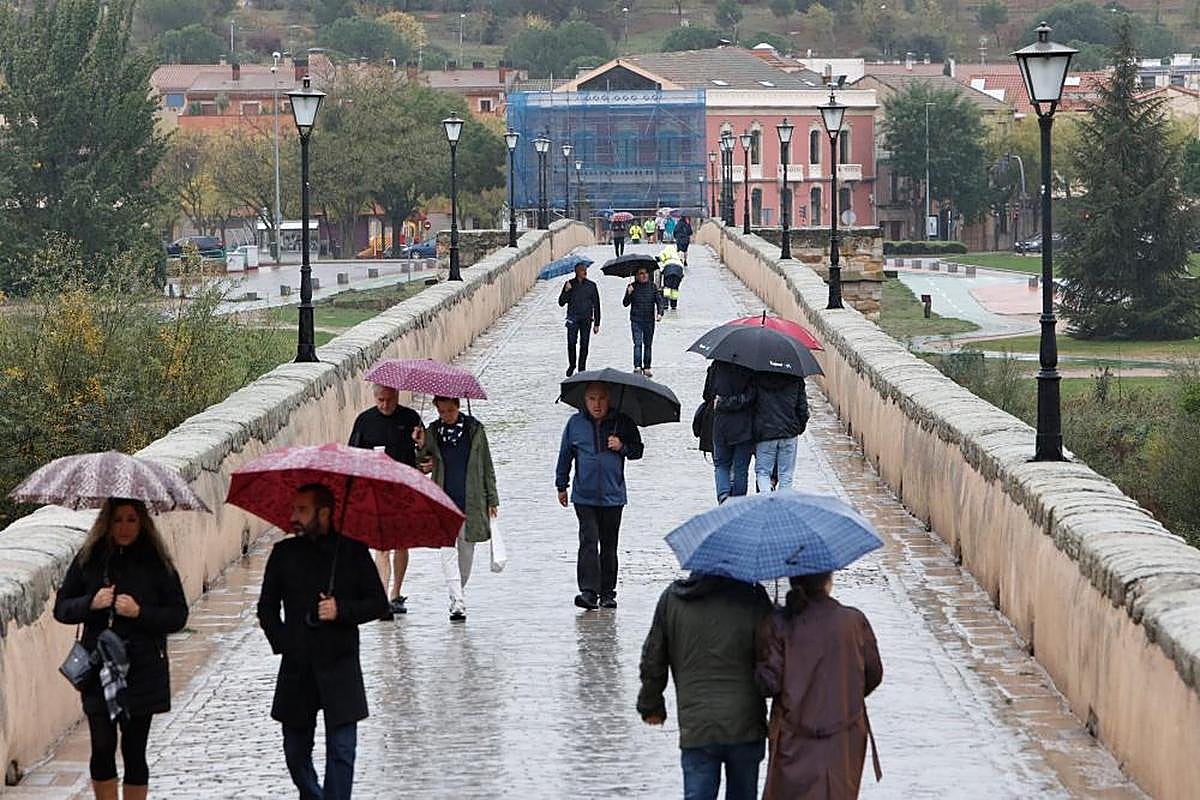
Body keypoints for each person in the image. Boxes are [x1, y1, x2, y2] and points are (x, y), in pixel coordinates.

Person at [258, 484, 388, 800]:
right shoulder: (283, 554)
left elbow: (377, 603)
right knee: (295, 752)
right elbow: (266, 608)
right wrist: (285, 643)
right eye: (294, 509)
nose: (294, 517)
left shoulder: (353, 552)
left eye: (302, 510)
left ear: (325, 513)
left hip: (340, 667)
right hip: (297, 667)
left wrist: (340, 609)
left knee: (342, 752)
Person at [53, 499, 188, 800]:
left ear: (142, 524)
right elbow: (61, 609)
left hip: (143, 669)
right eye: (118, 520)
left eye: (131, 520)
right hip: (98, 668)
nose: (124, 527)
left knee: (134, 749)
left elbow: (178, 615)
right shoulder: (89, 560)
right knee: (101, 746)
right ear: (106, 523)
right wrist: (92, 602)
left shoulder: (157, 564)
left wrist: (140, 613)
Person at [638, 572, 773, 800]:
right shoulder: (754, 597)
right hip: (746, 724)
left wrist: (651, 705)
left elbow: (654, 658)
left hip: (697, 726)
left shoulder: (672, 599)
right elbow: (772, 659)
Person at [756, 572, 884, 800]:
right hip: (843, 740)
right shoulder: (853, 621)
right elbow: (873, 674)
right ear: (828, 582)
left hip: (793, 741)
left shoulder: (780, 624)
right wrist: (845, 694)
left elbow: (769, 684)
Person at [555, 381, 644, 611]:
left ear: (609, 399)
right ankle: (588, 591)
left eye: (601, 398)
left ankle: (607, 592)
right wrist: (561, 484)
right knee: (588, 540)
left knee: (609, 545)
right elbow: (565, 454)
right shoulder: (575, 424)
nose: (597, 404)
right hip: (584, 495)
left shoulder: (621, 422)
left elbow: (638, 450)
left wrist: (621, 446)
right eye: (592, 399)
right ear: (584, 401)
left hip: (613, 495)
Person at [416, 396, 499, 623]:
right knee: (447, 550)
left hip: (470, 500)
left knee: (466, 551)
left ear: (458, 407)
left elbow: (487, 464)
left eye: (450, 411)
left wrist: (492, 498)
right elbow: (419, 464)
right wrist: (421, 444)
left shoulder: (475, 430)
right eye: (442, 412)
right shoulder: (433, 432)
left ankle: (458, 592)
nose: (447, 416)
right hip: (443, 499)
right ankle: (457, 601)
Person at [347, 384, 423, 618]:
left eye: (389, 399)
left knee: (401, 544)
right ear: (374, 397)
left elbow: (425, 456)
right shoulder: (364, 421)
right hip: (376, 491)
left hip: (404, 491)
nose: (385, 404)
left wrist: (420, 444)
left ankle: (396, 593)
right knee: (382, 547)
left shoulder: (411, 418)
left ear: (397, 396)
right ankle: (381, 596)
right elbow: (353, 456)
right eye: (380, 400)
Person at [703, 361, 757, 502]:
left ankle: (723, 496)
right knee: (740, 468)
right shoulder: (751, 368)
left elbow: (707, 394)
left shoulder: (717, 365)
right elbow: (752, 396)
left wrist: (722, 402)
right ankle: (738, 503)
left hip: (721, 425)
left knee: (721, 465)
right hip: (744, 427)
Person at [752, 373, 809, 492]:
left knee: (763, 472)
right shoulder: (796, 377)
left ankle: (766, 502)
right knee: (786, 474)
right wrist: (798, 428)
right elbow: (802, 409)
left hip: (765, 433)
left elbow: (752, 404)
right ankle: (783, 504)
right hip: (789, 433)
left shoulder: (758, 376)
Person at [558, 261, 601, 377]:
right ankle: (572, 365)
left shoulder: (591, 285)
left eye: (585, 270)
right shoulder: (569, 284)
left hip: (586, 319)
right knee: (571, 343)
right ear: (576, 272)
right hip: (573, 318)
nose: (585, 272)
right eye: (582, 270)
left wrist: (597, 323)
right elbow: (561, 302)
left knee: (584, 344)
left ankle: (582, 367)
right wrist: (566, 291)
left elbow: (597, 304)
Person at [622, 266, 665, 377]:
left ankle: (647, 367)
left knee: (648, 344)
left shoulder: (652, 286)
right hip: (636, 319)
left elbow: (659, 301)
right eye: (641, 273)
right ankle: (637, 366)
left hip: (649, 320)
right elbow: (625, 303)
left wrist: (660, 313)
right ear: (636, 276)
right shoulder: (632, 286)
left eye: (645, 273)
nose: (644, 275)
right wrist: (628, 293)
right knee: (637, 344)